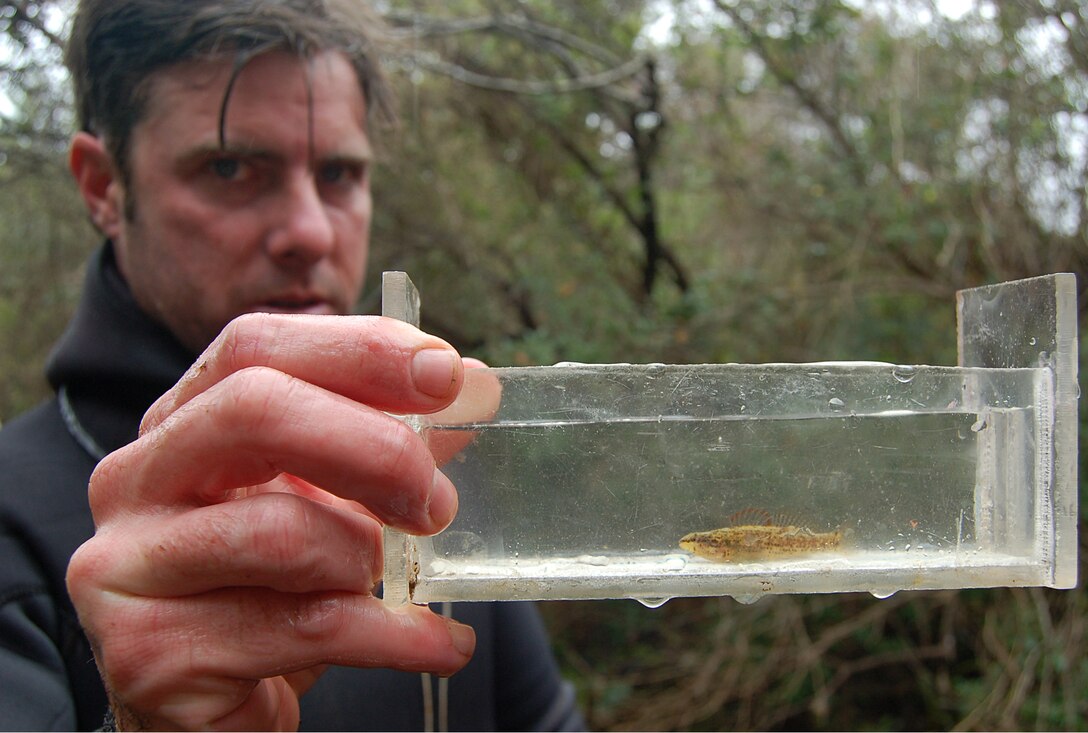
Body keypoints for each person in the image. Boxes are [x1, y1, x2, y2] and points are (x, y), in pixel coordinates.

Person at [0, 1, 583, 730]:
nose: (309, 230)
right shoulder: (12, 528)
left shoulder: (432, 483)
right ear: (103, 187)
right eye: (230, 166)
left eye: (339, 172)